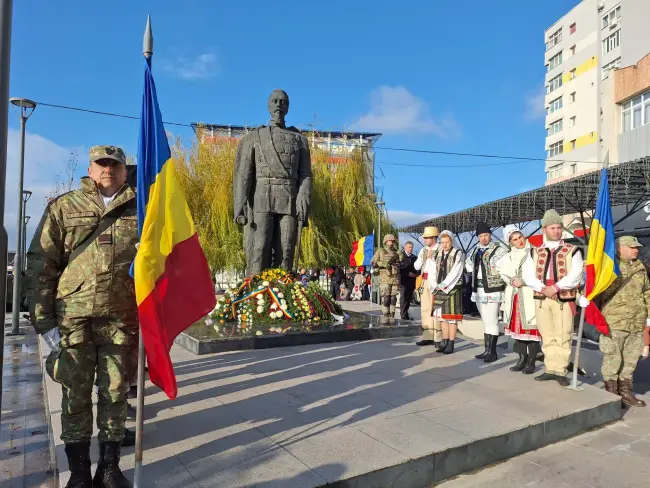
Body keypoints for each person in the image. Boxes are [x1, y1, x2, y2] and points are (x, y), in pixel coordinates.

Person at [26, 145, 136, 487]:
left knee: (115, 393)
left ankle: (109, 466)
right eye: (102, 164)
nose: (109, 170)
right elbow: (42, 265)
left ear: (124, 170)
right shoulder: (64, 206)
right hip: (73, 319)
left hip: (120, 319)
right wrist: (43, 322)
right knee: (75, 395)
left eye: (115, 165)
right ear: (90, 169)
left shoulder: (143, 209)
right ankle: (78, 471)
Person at [523, 209, 583, 387]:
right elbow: (527, 275)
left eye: (559, 228)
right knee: (547, 333)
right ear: (544, 230)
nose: (556, 231)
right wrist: (542, 288)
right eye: (552, 228)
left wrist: (556, 287)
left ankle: (561, 369)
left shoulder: (572, 250)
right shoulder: (534, 252)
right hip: (542, 298)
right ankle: (550, 367)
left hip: (563, 297)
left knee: (563, 333)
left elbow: (576, 274)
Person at [595, 236, 648, 407]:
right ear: (619, 248)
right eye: (632, 247)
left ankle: (625, 391)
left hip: (636, 321)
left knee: (630, 359)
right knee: (613, 357)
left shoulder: (640, 268)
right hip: (615, 321)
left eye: (637, 247)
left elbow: (647, 291)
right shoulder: (609, 268)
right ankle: (611, 393)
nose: (636, 250)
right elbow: (594, 288)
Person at [497, 226, 541, 374]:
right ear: (510, 242)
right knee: (518, 331)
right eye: (514, 239)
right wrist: (511, 281)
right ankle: (522, 358)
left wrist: (524, 281)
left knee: (532, 331)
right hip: (514, 296)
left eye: (520, 237)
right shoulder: (507, 257)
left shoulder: (535, 252)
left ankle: (531, 362)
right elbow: (503, 273)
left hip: (529, 293)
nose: (519, 241)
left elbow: (539, 272)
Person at [467, 222, 508, 363]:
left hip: (492, 288)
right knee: (485, 320)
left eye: (485, 235)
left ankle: (493, 352)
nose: (483, 238)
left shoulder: (498, 249)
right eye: (481, 236)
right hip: (478, 288)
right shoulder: (475, 250)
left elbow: (502, 265)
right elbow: (468, 264)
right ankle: (487, 350)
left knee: (492, 319)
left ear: (490, 235)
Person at [427, 231, 465, 354]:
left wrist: (443, 285)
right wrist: (434, 284)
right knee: (442, 318)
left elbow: (456, 271)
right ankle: (444, 340)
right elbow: (431, 269)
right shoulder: (437, 254)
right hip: (438, 288)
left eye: (447, 242)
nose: (444, 245)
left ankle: (451, 343)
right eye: (442, 242)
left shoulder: (458, 253)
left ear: (451, 242)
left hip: (452, 288)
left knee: (451, 319)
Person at [414, 227, 441, 345]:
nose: (424, 240)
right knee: (425, 308)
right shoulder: (423, 250)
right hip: (424, 281)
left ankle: (438, 337)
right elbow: (416, 266)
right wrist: (425, 257)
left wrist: (433, 258)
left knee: (436, 309)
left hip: (436, 281)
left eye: (427, 238)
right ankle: (427, 335)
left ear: (434, 238)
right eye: (424, 238)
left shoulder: (441, 248)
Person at [371, 234, 404, 324]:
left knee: (393, 297)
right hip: (384, 277)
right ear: (385, 242)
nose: (391, 243)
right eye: (389, 241)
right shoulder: (380, 251)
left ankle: (392, 314)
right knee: (386, 297)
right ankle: (385, 314)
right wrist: (383, 264)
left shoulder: (397, 252)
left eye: (392, 241)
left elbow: (402, 262)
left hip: (394, 277)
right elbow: (373, 263)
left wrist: (398, 264)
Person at [399, 241, 419, 320]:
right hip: (403, 281)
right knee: (403, 297)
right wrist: (407, 273)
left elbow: (418, 268)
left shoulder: (415, 258)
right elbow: (399, 268)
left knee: (409, 298)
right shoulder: (401, 257)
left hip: (412, 281)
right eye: (408, 247)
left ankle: (406, 313)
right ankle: (403, 314)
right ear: (405, 247)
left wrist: (416, 274)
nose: (410, 249)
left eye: (411, 247)